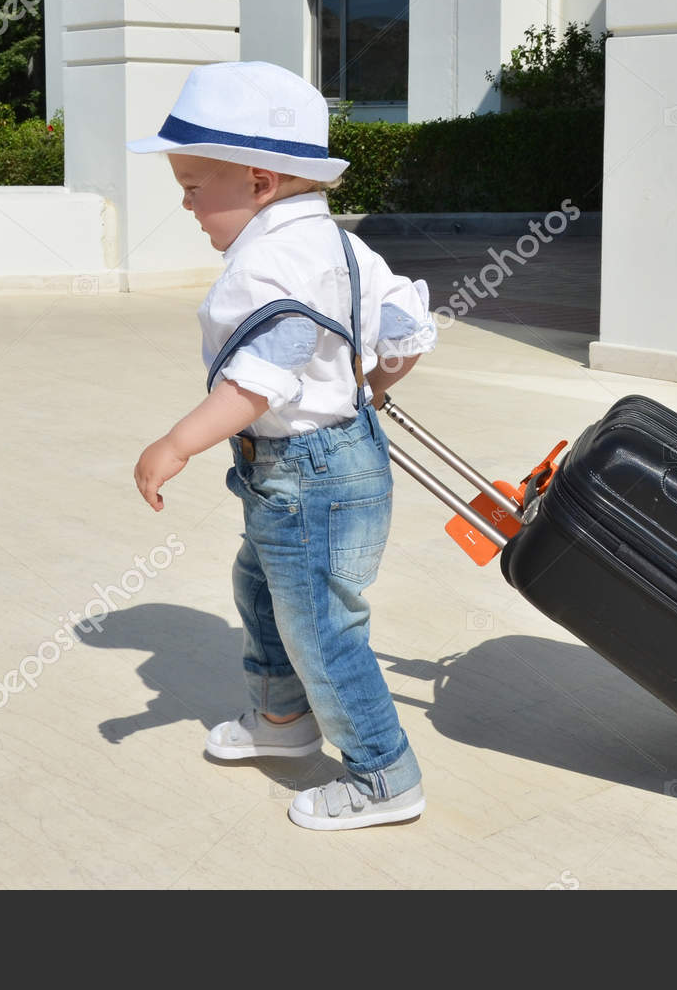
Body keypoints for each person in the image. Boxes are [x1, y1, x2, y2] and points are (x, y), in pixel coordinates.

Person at [128, 61, 437, 830]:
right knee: (264, 587)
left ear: (260, 183)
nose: (186, 202)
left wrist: (176, 443)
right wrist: (372, 385)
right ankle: (281, 719)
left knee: (322, 628)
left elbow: (252, 388)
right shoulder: (337, 244)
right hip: (340, 459)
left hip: (307, 475)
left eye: (196, 185)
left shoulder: (266, 263)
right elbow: (405, 325)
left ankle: (383, 774)